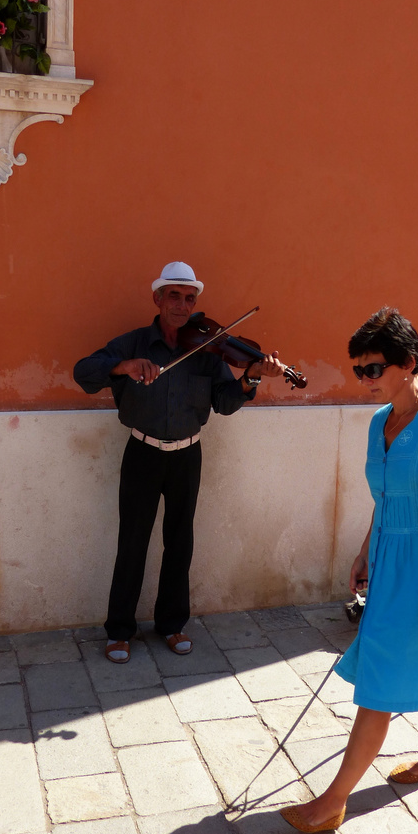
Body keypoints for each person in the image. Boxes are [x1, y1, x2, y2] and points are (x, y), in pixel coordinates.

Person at [281, 307, 418, 833]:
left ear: (409, 363)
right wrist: (364, 550)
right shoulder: (379, 423)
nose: (365, 380)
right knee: (405, 662)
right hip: (390, 563)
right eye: (359, 370)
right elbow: (385, 499)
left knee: (380, 677)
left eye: (373, 369)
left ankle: (332, 801)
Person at [73, 262, 284, 664]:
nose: (183, 305)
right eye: (174, 295)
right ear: (157, 298)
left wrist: (251, 378)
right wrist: (122, 366)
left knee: (180, 541)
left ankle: (171, 624)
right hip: (142, 452)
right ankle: (120, 630)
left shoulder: (208, 348)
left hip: (188, 453)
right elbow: (83, 372)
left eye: (190, 299)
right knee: (132, 541)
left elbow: (224, 402)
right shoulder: (133, 343)